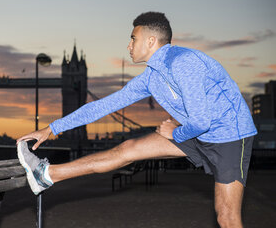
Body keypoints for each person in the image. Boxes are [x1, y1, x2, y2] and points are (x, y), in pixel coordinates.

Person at [17, 12, 257, 228]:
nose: (129, 45)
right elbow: (102, 106)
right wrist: (52, 128)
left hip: (230, 136)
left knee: (226, 218)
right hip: (194, 133)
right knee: (128, 148)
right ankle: (46, 175)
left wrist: (175, 133)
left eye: (133, 38)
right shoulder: (151, 77)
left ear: (151, 41)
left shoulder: (183, 63)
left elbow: (202, 121)